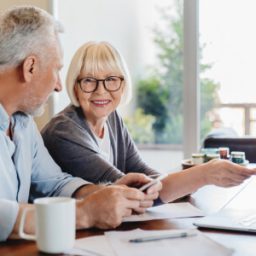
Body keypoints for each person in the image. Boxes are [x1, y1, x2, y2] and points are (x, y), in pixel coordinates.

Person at [0, 6, 161, 242]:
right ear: (30, 67)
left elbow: (55, 183)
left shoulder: (24, 124)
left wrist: (106, 193)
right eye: (56, 70)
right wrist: (83, 213)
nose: (58, 85)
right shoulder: (62, 128)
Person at [42, 41, 256, 204]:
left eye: (111, 80)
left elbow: (143, 172)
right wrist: (204, 174)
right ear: (75, 85)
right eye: (89, 80)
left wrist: (184, 185)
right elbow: (132, 192)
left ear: (123, 84)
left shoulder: (112, 119)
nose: (101, 90)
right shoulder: (64, 132)